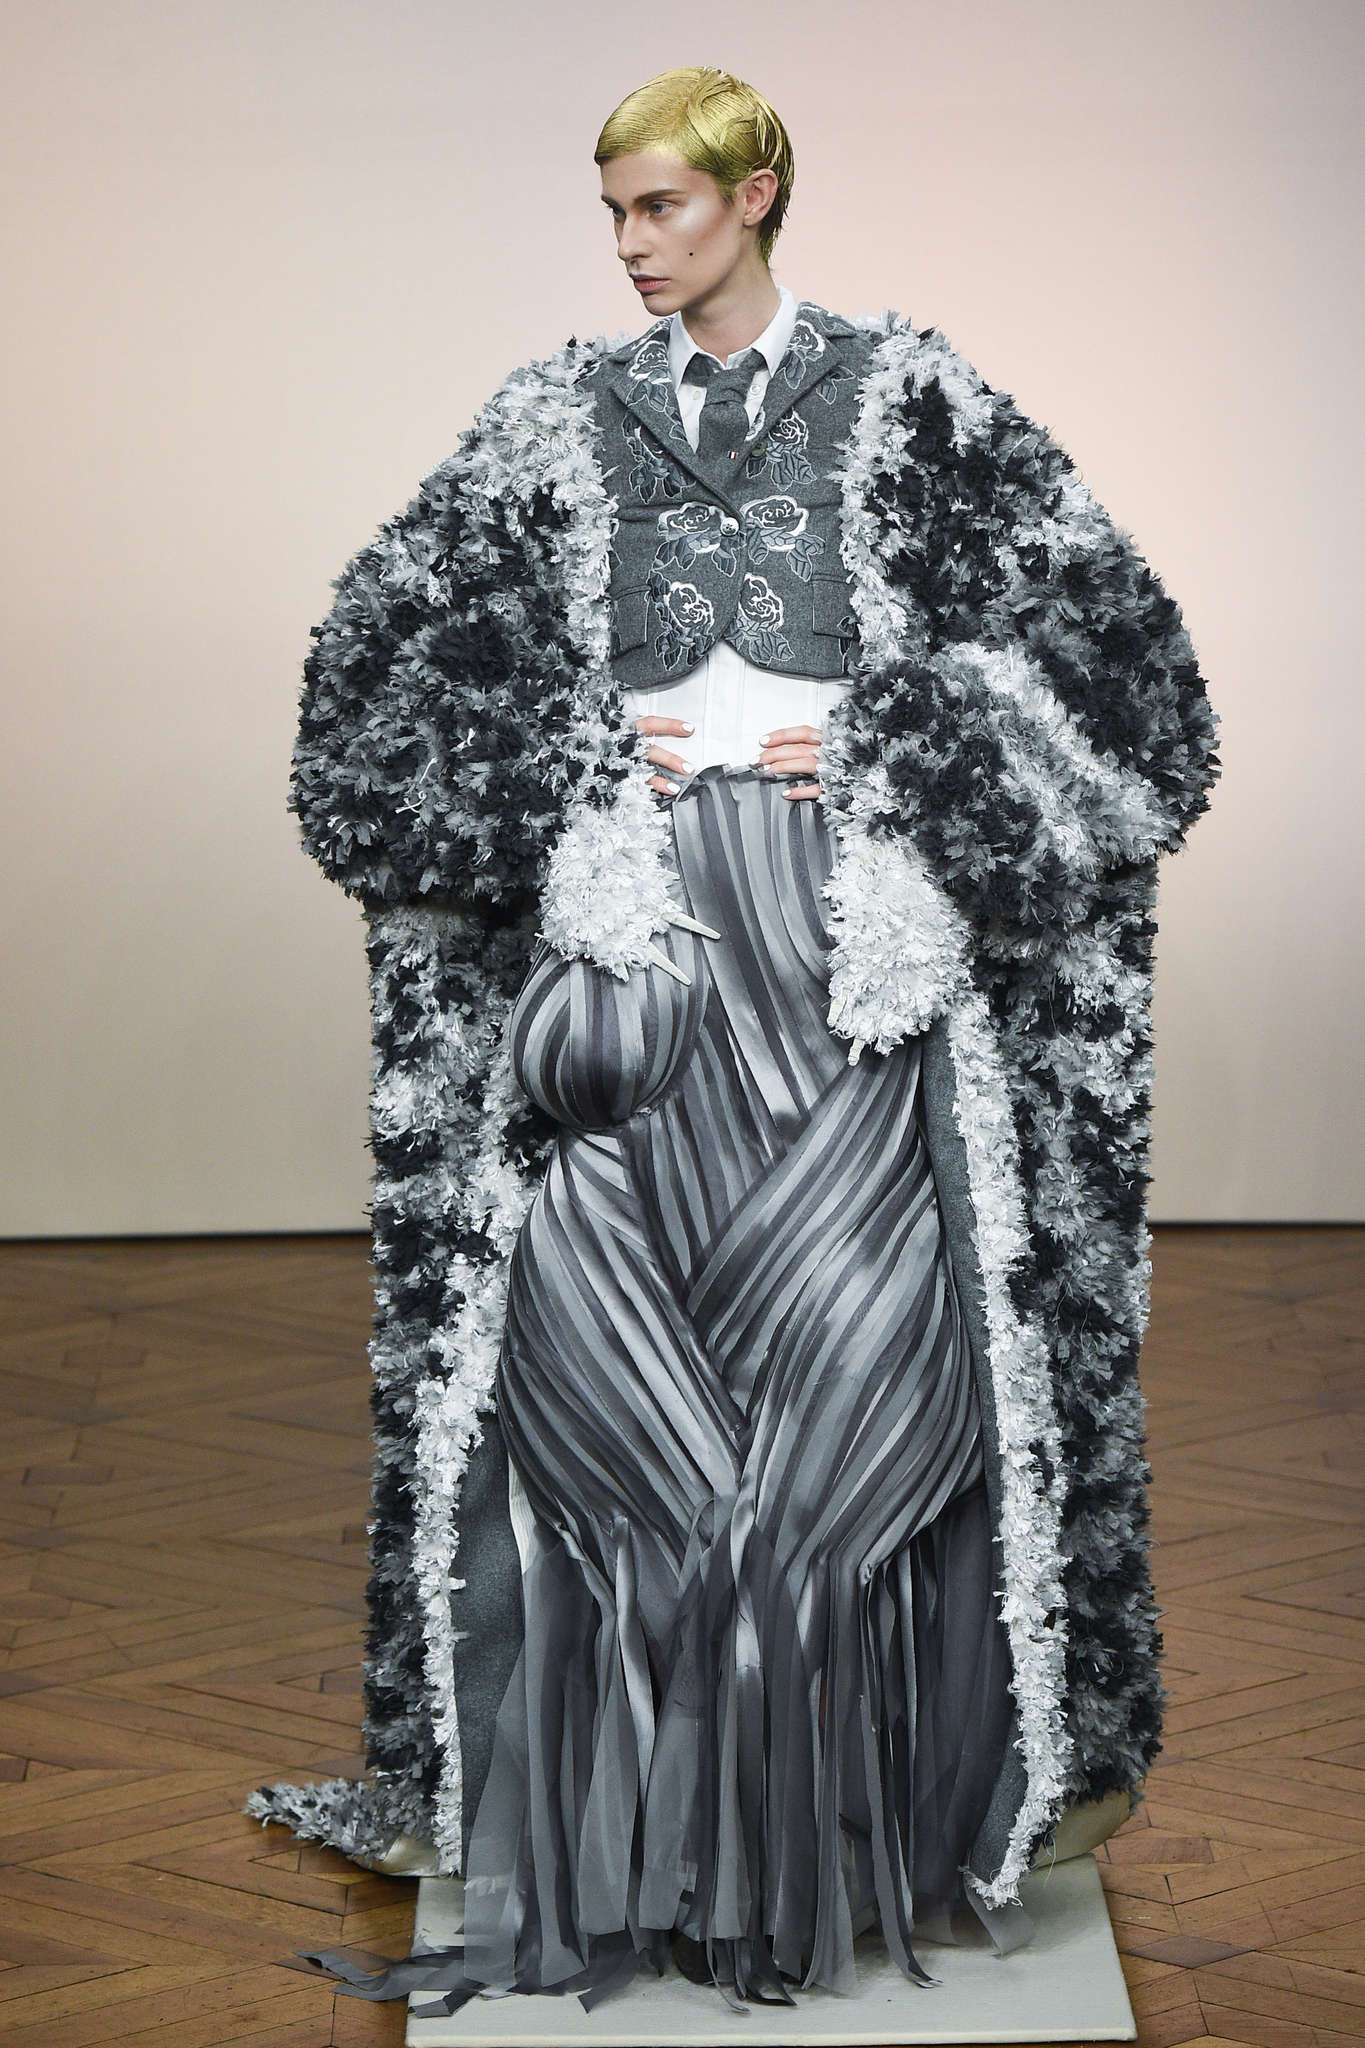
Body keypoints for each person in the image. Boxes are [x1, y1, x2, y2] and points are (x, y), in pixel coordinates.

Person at [276, 63, 1220, 2024]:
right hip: (628, 970)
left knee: (854, 1406)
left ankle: (832, 1857)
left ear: (755, 191)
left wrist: (894, 739)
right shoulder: (548, 421)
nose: (629, 244)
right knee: (602, 1416)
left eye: (661, 206)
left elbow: (1132, 687)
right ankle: (662, 1856)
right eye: (611, 210)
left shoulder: (913, 401)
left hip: (841, 965)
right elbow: (364, 699)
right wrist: (559, 765)